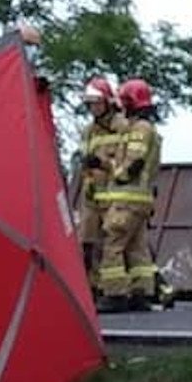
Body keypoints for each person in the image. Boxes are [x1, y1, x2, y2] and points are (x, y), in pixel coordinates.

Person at [94, 78, 163, 312]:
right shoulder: (145, 127)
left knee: (112, 243)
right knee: (137, 246)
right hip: (140, 199)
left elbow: (133, 163)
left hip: (127, 198)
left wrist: (117, 172)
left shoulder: (139, 129)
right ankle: (141, 292)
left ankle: (114, 294)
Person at [77, 77, 128, 293]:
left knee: (115, 245)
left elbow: (129, 164)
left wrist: (103, 163)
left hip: (115, 196)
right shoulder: (89, 131)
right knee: (87, 244)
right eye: (89, 103)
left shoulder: (122, 127)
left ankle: (123, 290)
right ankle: (91, 288)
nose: (93, 108)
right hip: (92, 197)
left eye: (96, 102)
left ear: (108, 102)